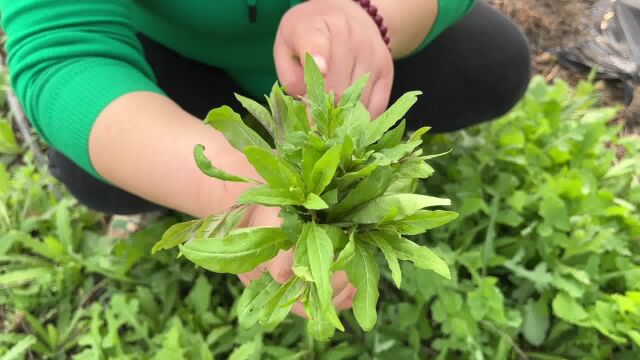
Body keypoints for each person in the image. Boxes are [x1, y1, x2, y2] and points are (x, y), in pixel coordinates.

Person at [0, 0, 531, 314]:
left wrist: (371, 16)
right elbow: (63, 50)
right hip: (174, 55)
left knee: (492, 64)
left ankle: (351, 146)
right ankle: (177, 187)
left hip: (334, 44)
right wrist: (227, 191)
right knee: (100, 173)